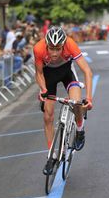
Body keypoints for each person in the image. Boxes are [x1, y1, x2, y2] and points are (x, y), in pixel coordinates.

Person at [33, 26, 93, 175]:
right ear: (46, 44)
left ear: (63, 45)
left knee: (77, 102)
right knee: (48, 115)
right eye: (51, 49)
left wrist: (90, 98)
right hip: (49, 77)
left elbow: (87, 71)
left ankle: (79, 130)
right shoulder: (38, 48)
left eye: (58, 49)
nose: (54, 53)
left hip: (67, 73)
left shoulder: (70, 44)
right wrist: (43, 90)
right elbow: (39, 73)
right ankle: (52, 156)